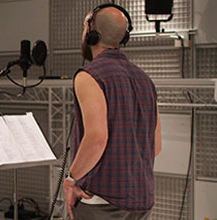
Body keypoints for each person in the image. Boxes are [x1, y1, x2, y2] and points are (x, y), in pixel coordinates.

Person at [63, 4, 161, 220]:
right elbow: (156, 146)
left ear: (91, 33)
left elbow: (97, 139)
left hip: (101, 202)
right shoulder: (145, 80)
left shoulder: (89, 76)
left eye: (83, 28)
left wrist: (71, 179)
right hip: (142, 201)